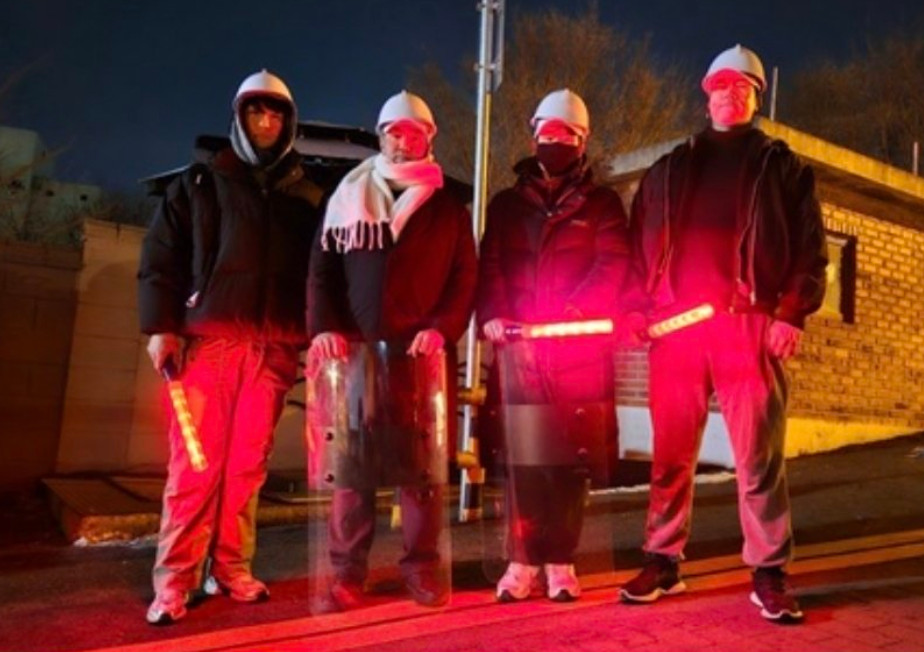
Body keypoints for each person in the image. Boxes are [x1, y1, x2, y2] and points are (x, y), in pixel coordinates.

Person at [618, 45, 828, 622]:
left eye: (742, 86)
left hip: (749, 324)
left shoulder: (782, 167)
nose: (730, 94)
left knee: (758, 457)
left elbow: (810, 248)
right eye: (721, 85)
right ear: (705, 94)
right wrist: (635, 309)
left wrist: (790, 313)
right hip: (676, 330)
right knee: (670, 455)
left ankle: (768, 570)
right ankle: (663, 560)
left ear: (758, 97)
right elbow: (637, 250)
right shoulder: (668, 169)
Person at [138, 70, 322, 625]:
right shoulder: (199, 184)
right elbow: (162, 257)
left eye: (275, 113)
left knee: (246, 467)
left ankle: (231, 567)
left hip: (272, 352)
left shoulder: (306, 196)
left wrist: (317, 334)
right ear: (238, 117)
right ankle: (175, 580)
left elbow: (319, 273)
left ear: (288, 123)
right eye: (255, 111)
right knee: (195, 467)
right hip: (209, 344)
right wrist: (161, 327)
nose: (265, 122)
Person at [307, 90, 477, 609]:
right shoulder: (346, 198)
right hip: (354, 358)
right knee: (351, 474)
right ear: (381, 138)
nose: (403, 142)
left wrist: (443, 329)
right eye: (393, 132)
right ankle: (345, 572)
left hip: (419, 360)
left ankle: (422, 568)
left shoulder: (448, 209)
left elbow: (465, 279)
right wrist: (324, 326)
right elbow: (322, 270)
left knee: (421, 474)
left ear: (429, 139)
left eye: (413, 133)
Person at [478, 89, 631, 602]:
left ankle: (561, 562)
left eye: (566, 134)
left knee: (568, 462)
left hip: (576, 355)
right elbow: (491, 265)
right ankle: (522, 562)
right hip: (519, 355)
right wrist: (495, 314)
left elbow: (613, 262)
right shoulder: (506, 206)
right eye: (547, 132)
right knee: (522, 460)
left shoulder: (603, 204)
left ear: (582, 142)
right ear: (533, 138)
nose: (555, 141)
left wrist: (576, 311)